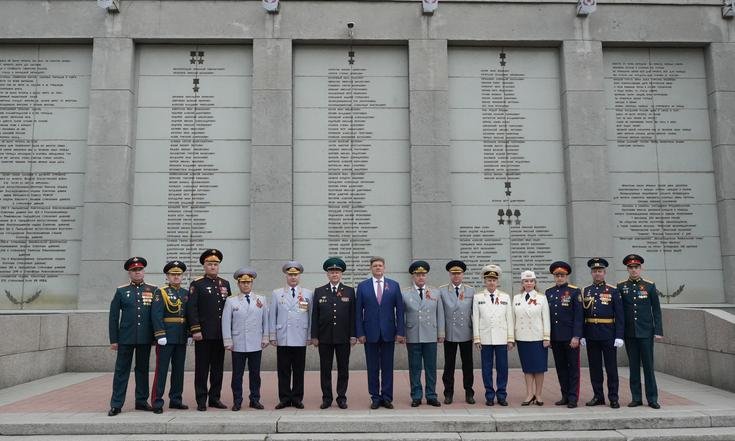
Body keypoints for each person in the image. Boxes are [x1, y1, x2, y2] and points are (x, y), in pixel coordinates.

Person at [107, 256, 156, 416]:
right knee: (121, 371)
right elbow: (114, 317)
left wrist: (156, 336)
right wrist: (114, 339)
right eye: (134, 270)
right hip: (125, 338)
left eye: (140, 270)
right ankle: (116, 404)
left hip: (145, 337)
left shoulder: (152, 289)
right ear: (129, 273)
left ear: (144, 271)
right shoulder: (121, 291)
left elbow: (156, 315)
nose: (137, 272)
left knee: (142, 370)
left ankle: (141, 401)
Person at [355, 256, 406, 409]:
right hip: (369, 333)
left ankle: (387, 397)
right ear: (371, 268)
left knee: (388, 366)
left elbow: (400, 310)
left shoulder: (394, 285)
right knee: (372, 367)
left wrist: (400, 332)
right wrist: (360, 333)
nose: (378, 268)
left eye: (380, 265)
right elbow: (358, 312)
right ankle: (375, 397)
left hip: (389, 332)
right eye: (375, 265)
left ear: (384, 268)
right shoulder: (363, 286)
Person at [187, 248, 232, 411]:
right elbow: (192, 309)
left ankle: (215, 398)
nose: (213, 267)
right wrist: (195, 330)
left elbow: (229, 309)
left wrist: (229, 333)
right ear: (204, 266)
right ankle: (201, 399)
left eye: (215, 264)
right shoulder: (197, 284)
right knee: (202, 368)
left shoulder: (225, 284)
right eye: (209, 264)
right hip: (203, 334)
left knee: (218, 368)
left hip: (220, 334)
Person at [617, 254, 663, 409]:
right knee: (634, 366)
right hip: (630, 333)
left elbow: (656, 310)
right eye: (630, 268)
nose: (633, 270)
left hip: (645, 332)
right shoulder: (621, 286)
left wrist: (658, 330)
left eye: (636, 267)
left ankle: (652, 398)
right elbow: (619, 311)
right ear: (627, 269)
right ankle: (636, 397)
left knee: (648, 367)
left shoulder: (649, 286)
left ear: (640, 268)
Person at [311, 257, 356, 409]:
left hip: (343, 337)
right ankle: (327, 398)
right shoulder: (319, 291)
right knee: (325, 369)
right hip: (324, 337)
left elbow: (352, 315)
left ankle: (341, 397)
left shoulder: (349, 291)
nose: (334, 274)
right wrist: (314, 336)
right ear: (327, 274)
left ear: (341, 274)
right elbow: (315, 316)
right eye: (332, 272)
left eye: (337, 272)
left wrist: (353, 335)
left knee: (343, 368)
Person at [222, 267, 269, 411]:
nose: (246, 285)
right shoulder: (231, 301)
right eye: (243, 282)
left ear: (252, 283)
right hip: (238, 343)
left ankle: (255, 399)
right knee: (237, 375)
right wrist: (228, 340)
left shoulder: (261, 299)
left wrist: (266, 337)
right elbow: (225, 322)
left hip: (255, 342)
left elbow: (265, 320)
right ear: (238, 284)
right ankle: (237, 400)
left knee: (255, 374)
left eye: (248, 282)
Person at [581, 257, 624, 409]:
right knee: (595, 368)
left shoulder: (613, 290)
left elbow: (619, 316)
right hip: (591, 334)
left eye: (600, 271)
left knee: (611, 368)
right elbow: (582, 315)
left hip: (608, 334)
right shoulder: (586, 290)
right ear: (591, 273)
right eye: (594, 271)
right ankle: (598, 396)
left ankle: (613, 397)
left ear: (604, 272)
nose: (597, 273)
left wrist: (619, 336)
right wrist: (582, 335)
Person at [269, 261, 313, 409]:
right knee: (283, 370)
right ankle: (284, 398)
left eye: (295, 274)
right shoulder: (277, 293)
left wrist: (309, 335)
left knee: (299, 370)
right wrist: (272, 335)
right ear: (286, 276)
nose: (293, 277)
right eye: (290, 274)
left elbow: (310, 315)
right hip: (284, 336)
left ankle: (297, 398)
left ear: (299, 276)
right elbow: (272, 316)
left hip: (300, 336)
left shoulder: (307, 293)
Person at [402, 261, 445, 407]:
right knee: (414, 367)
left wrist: (441, 332)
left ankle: (431, 395)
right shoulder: (405, 293)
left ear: (426, 276)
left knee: (431, 367)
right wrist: (402, 333)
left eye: (423, 275)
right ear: (413, 276)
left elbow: (440, 313)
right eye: (418, 275)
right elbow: (401, 315)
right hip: (413, 333)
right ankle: (416, 395)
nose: (421, 277)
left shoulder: (435, 292)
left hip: (430, 334)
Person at [150, 260, 190, 414]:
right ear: (167, 276)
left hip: (181, 337)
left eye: (179, 274)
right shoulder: (161, 292)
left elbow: (187, 315)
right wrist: (160, 334)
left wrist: (190, 333)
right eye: (173, 274)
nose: (176, 277)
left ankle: (176, 399)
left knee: (179, 370)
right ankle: (157, 401)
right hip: (166, 337)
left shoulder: (185, 293)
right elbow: (156, 315)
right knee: (162, 370)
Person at [472, 264, 514, 407]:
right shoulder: (478, 297)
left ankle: (502, 394)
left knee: (502, 368)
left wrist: (510, 338)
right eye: (488, 280)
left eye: (493, 280)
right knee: (486, 368)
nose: (491, 282)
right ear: (484, 281)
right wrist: (477, 338)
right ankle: (489, 394)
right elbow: (476, 318)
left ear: (497, 281)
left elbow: (509, 318)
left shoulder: (505, 297)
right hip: (485, 338)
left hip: (501, 338)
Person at [545, 261, 583, 408]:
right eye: (557, 275)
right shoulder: (549, 292)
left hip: (570, 337)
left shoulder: (574, 291)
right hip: (556, 337)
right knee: (561, 368)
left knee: (573, 368)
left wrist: (576, 336)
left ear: (566, 276)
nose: (559, 278)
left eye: (562, 275)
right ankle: (565, 395)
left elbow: (578, 316)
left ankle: (573, 397)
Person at [438, 260, 476, 405]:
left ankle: (469, 392)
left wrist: (475, 333)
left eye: (458, 273)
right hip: (450, 332)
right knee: (449, 365)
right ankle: (448, 393)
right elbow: (441, 313)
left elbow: (474, 313)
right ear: (449, 274)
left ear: (463, 274)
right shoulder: (442, 290)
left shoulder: (470, 290)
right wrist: (441, 332)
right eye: (453, 274)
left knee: (468, 364)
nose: (456, 276)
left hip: (466, 331)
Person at [513, 270, 551, 406]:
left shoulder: (542, 298)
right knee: (527, 368)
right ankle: (529, 394)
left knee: (539, 368)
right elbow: (514, 319)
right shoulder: (516, 298)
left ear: (535, 283)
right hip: (523, 338)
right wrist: (512, 337)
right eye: (526, 281)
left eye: (531, 281)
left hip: (538, 337)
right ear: (522, 283)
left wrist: (547, 337)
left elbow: (546, 318)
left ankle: (539, 394)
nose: (528, 283)